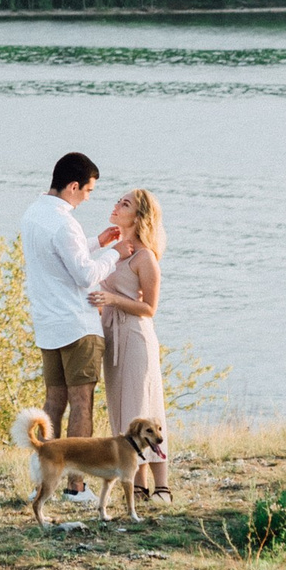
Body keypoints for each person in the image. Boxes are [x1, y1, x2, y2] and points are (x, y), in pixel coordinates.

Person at [20, 151, 121, 497]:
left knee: (54, 403)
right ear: (74, 186)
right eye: (89, 190)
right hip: (77, 326)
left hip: (48, 325)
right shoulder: (65, 222)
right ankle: (76, 486)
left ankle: (44, 481)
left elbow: (59, 256)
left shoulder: (34, 213)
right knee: (82, 403)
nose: (89, 197)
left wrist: (96, 242)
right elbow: (84, 274)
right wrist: (114, 254)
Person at [90, 188, 171, 501]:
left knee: (145, 411)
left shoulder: (145, 257)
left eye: (124, 204)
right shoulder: (113, 250)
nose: (116, 205)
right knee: (123, 415)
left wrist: (112, 299)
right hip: (112, 337)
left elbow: (149, 308)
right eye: (118, 201)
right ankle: (136, 486)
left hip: (136, 337)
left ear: (138, 218)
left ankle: (161, 487)